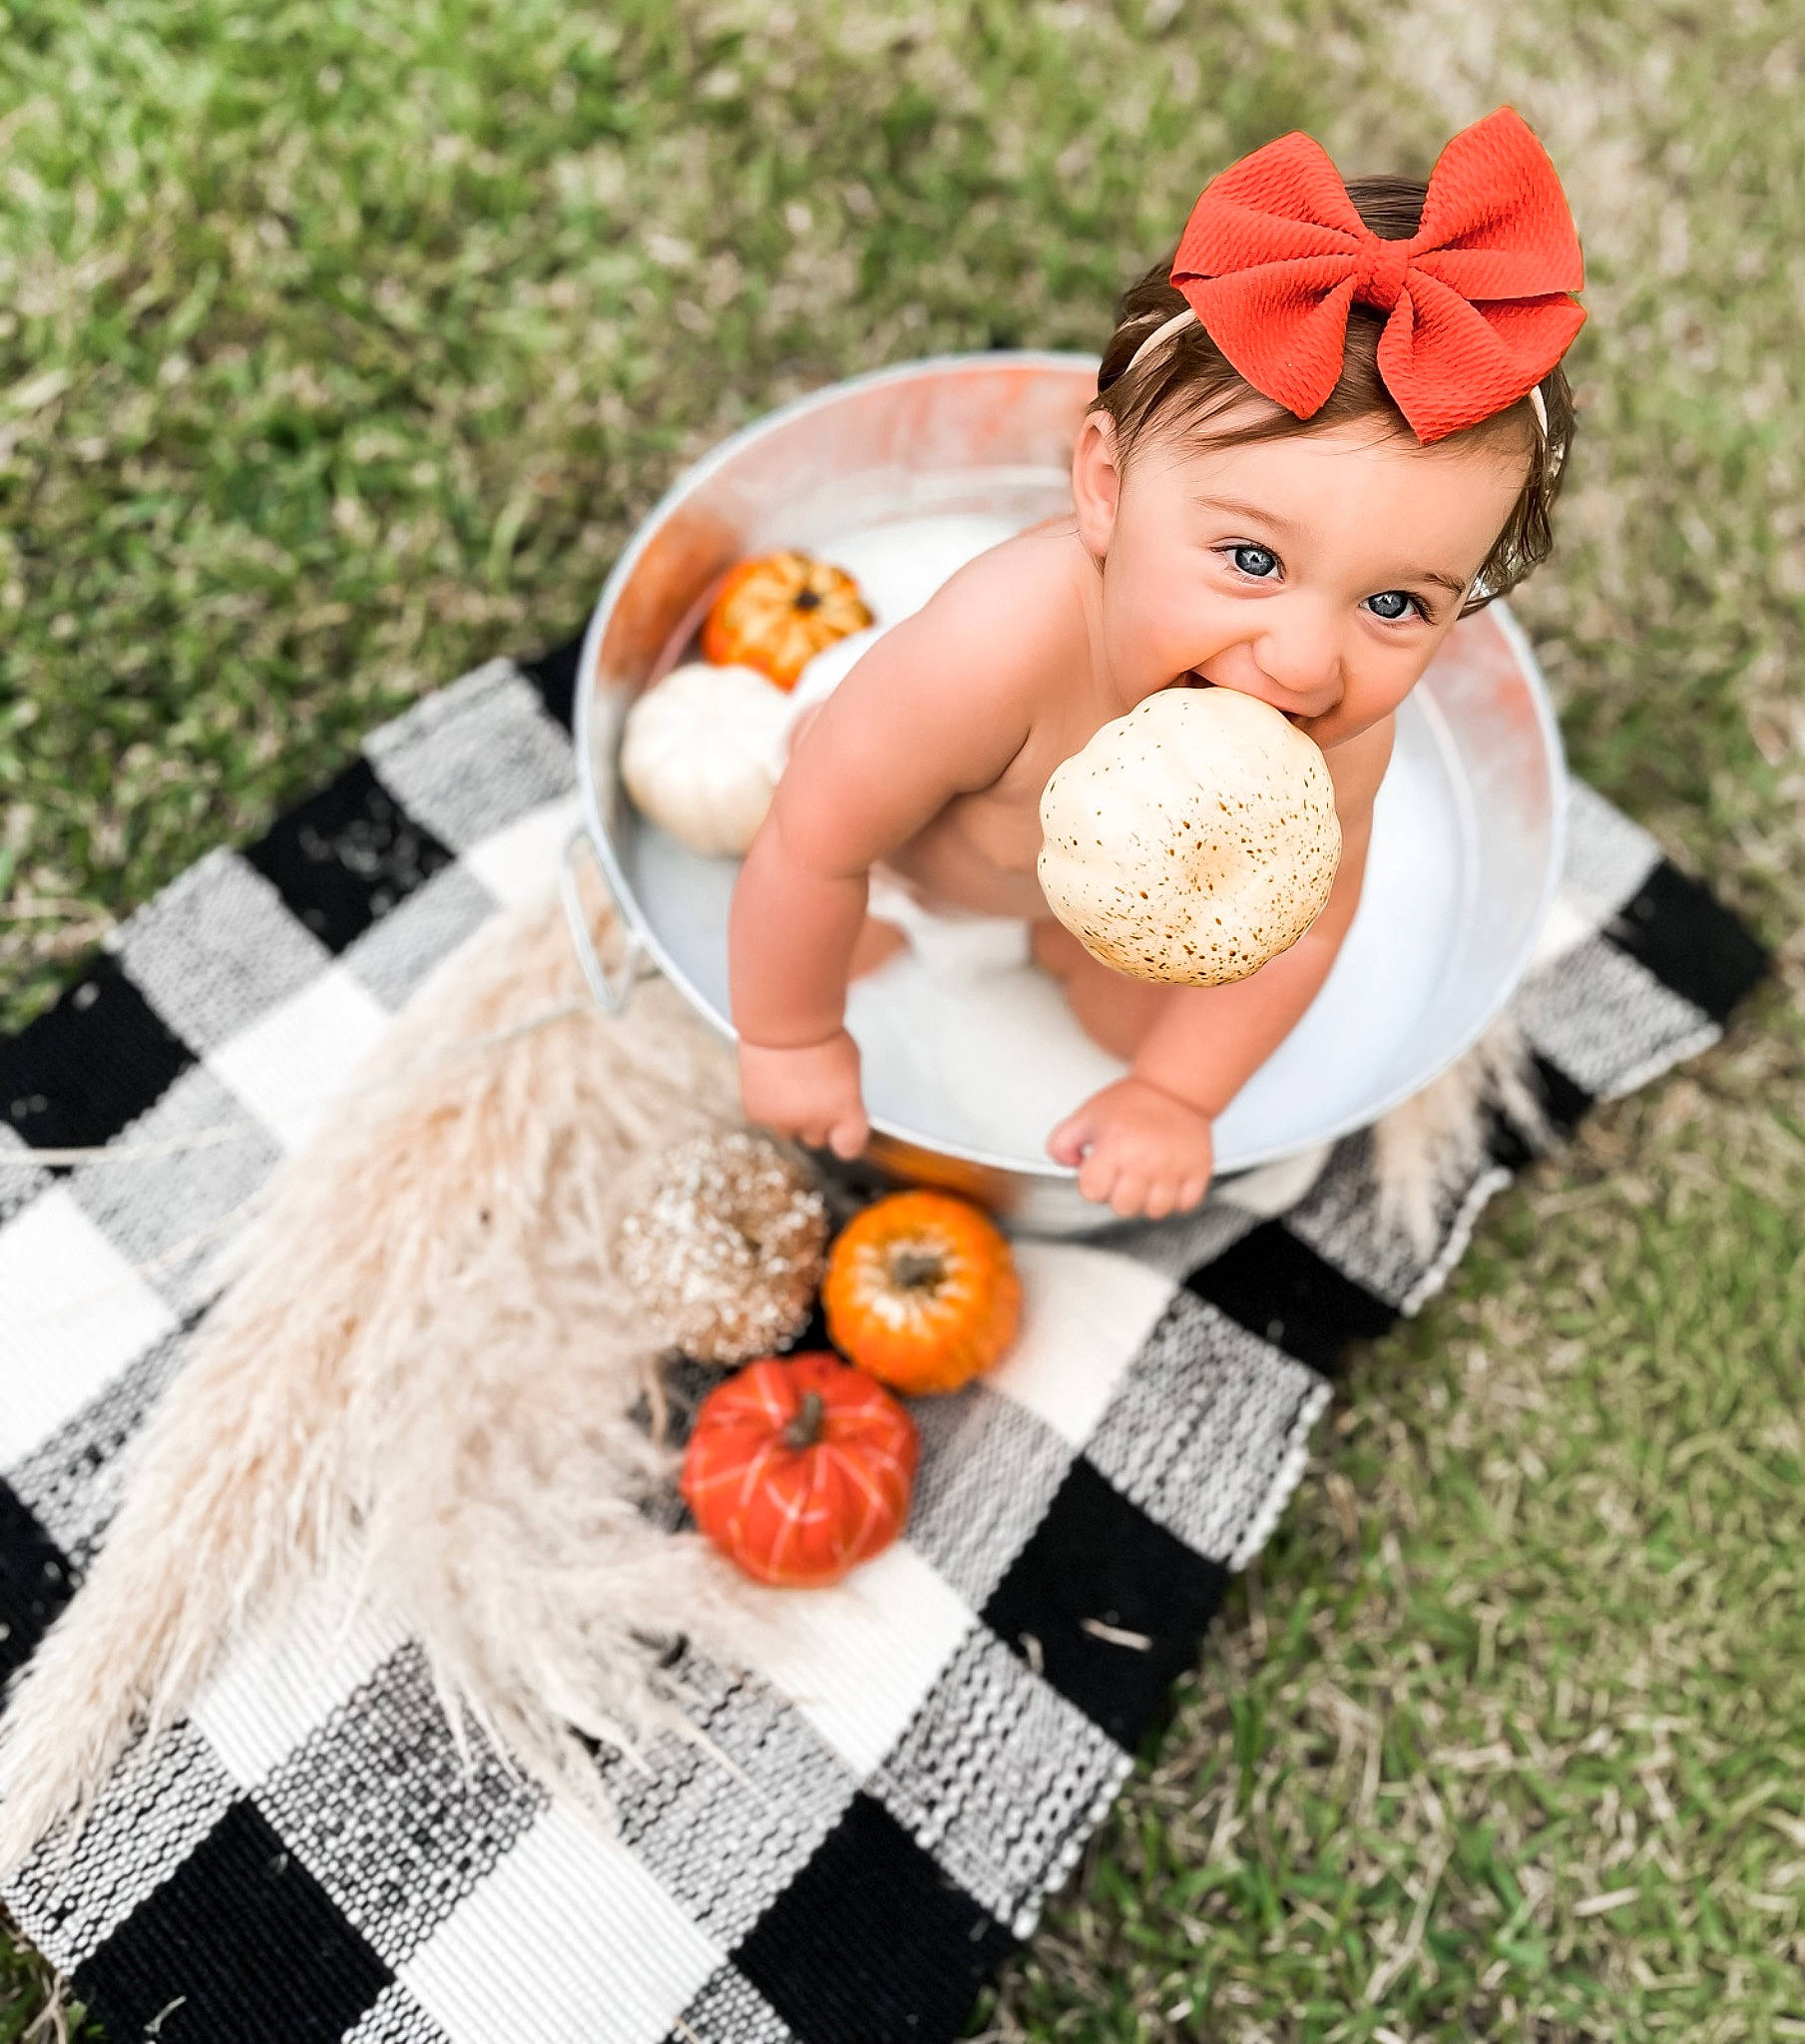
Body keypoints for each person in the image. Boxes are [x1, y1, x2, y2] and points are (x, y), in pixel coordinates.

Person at [729, 108, 1585, 1221]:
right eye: (1251, 557)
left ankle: (1091, 1001)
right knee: (817, 905)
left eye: (1393, 601)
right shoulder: (999, 647)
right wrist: (791, 1035)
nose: (1301, 661)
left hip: (1077, 903)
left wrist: (1175, 1095)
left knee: (1171, 1008)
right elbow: (813, 838)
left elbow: (1315, 924)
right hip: (897, 863)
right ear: (1107, 487)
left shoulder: (1343, 742)